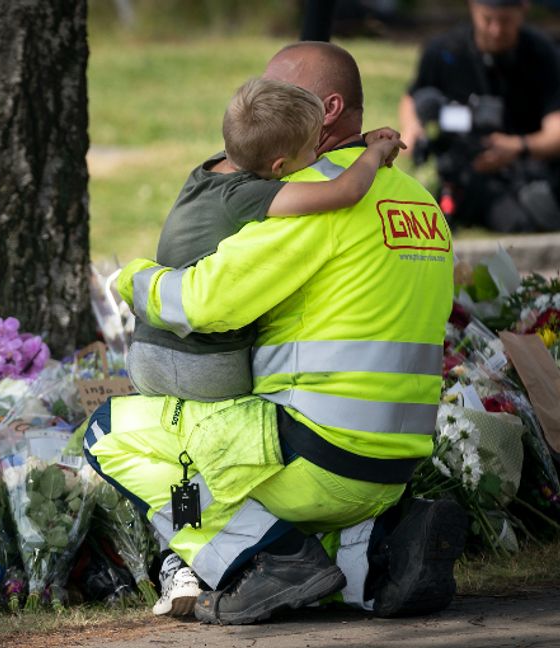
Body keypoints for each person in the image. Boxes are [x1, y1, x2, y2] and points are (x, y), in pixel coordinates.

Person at [85, 41, 464, 626]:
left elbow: (203, 302)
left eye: (280, 92)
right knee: (307, 525)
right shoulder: (417, 202)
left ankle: (264, 556)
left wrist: (134, 277)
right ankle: (377, 557)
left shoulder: (313, 203)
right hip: (392, 464)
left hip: (312, 453)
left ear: (327, 110)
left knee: (111, 432)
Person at [129, 76, 403, 408]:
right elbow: (346, 192)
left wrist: (358, 140)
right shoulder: (247, 194)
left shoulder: (211, 169)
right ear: (279, 167)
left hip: (145, 351)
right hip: (207, 364)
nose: (319, 154)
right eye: (314, 148)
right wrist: (374, 152)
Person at [398, 0, 560, 232]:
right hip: (464, 171)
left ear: (523, 9)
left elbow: (556, 130)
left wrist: (517, 147)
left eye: (505, 21)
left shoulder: (543, 54)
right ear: (472, 7)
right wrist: (412, 129)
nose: (496, 30)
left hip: (522, 169)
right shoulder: (444, 51)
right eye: (487, 20)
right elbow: (413, 97)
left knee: (521, 220)